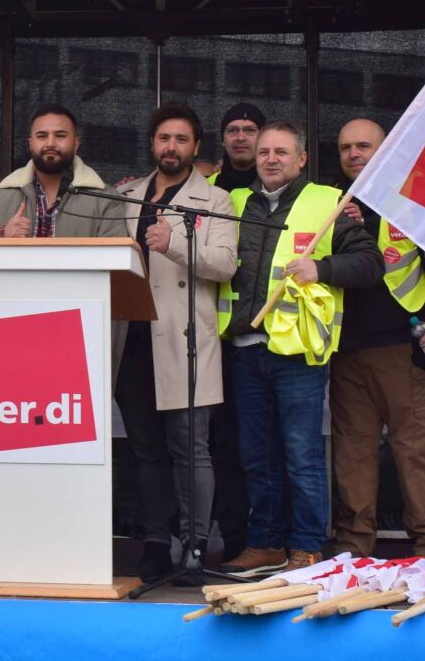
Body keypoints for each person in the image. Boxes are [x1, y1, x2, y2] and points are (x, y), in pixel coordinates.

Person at [216, 121, 383, 576]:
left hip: (300, 354)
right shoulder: (233, 202)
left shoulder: (330, 202)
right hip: (245, 347)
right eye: (265, 151)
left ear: (302, 159)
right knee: (256, 457)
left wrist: (322, 267)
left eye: (282, 152)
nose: (271, 159)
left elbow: (370, 264)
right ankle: (266, 544)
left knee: (302, 455)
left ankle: (307, 547)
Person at [330, 118, 425, 558]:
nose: (354, 154)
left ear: (386, 149)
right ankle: (353, 552)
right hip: (346, 351)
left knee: (415, 452)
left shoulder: (415, 197)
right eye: (347, 147)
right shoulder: (329, 201)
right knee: (352, 455)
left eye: (364, 146)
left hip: (404, 350)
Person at [116, 103, 237, 585]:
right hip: (131, 339)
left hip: (184, 339)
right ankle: (153, 545)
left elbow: (226, 264)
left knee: (192, 450)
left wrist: (175, 243)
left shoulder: (216, 200)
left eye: (181, 140)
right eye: (164, 138)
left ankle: (194, 546)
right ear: (152, 144)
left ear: (196, 147)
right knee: (146, 453)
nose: (171, 147)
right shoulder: (123, 195)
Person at [206, 102, 266, 563]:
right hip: (213, 339)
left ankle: (270, 539)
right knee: (220, 445)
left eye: (250, 130)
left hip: (264, 338)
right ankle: (233, 537)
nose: (241, 137)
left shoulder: (282, 191)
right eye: (233, 130)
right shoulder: (205, 192)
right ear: (222, 139)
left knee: (265, 444)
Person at [0, 103, 127, 239]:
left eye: (60, 136)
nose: (50, 143)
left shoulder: (106, 199)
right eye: (42, 136)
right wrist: (1, 234)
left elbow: (118, 265)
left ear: (76, 144)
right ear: (30, 144)